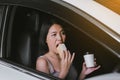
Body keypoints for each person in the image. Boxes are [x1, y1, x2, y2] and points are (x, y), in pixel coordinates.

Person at [36, 17, 100, 80]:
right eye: (54, 34)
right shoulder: (42, 62)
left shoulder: (67, 56)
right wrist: (64, 71)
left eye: (62, 33)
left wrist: (83, 73)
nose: (60, 38)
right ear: (45, 39)